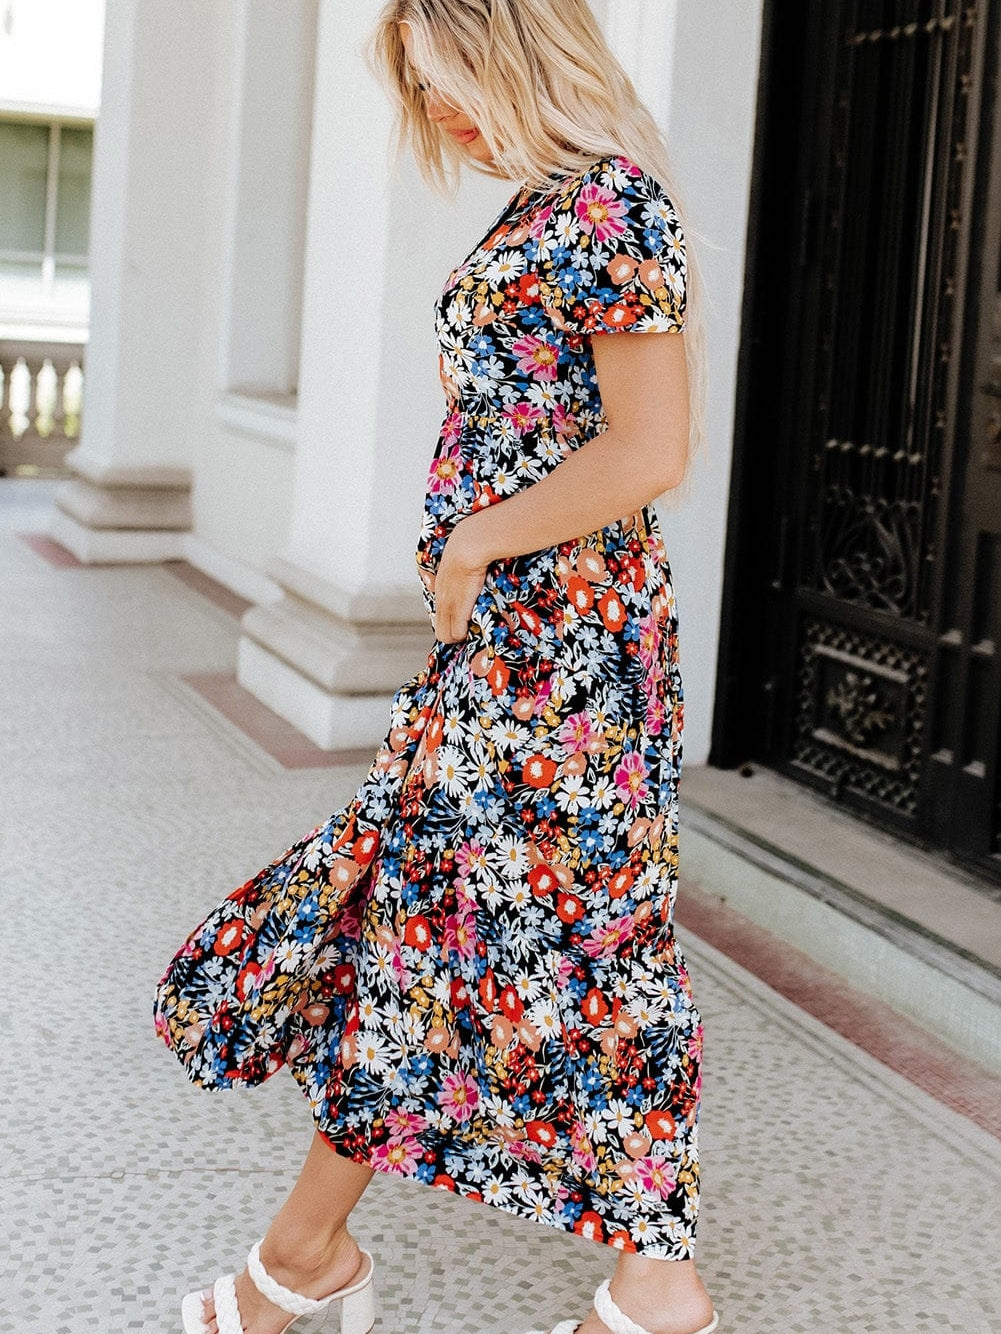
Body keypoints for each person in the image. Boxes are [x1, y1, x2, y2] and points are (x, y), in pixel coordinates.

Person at [153, 3, 718, 1333]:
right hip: (512, 651)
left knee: (560, 939)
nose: (442, 111)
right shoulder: (542, 206)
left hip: (565, 662)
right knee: (425, 926)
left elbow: (651, 449)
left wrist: (472, 541)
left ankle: (321, 1268)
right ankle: (323, 1262)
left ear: (520, 46)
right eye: (420, 88)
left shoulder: (610, 202)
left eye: (452, 73)